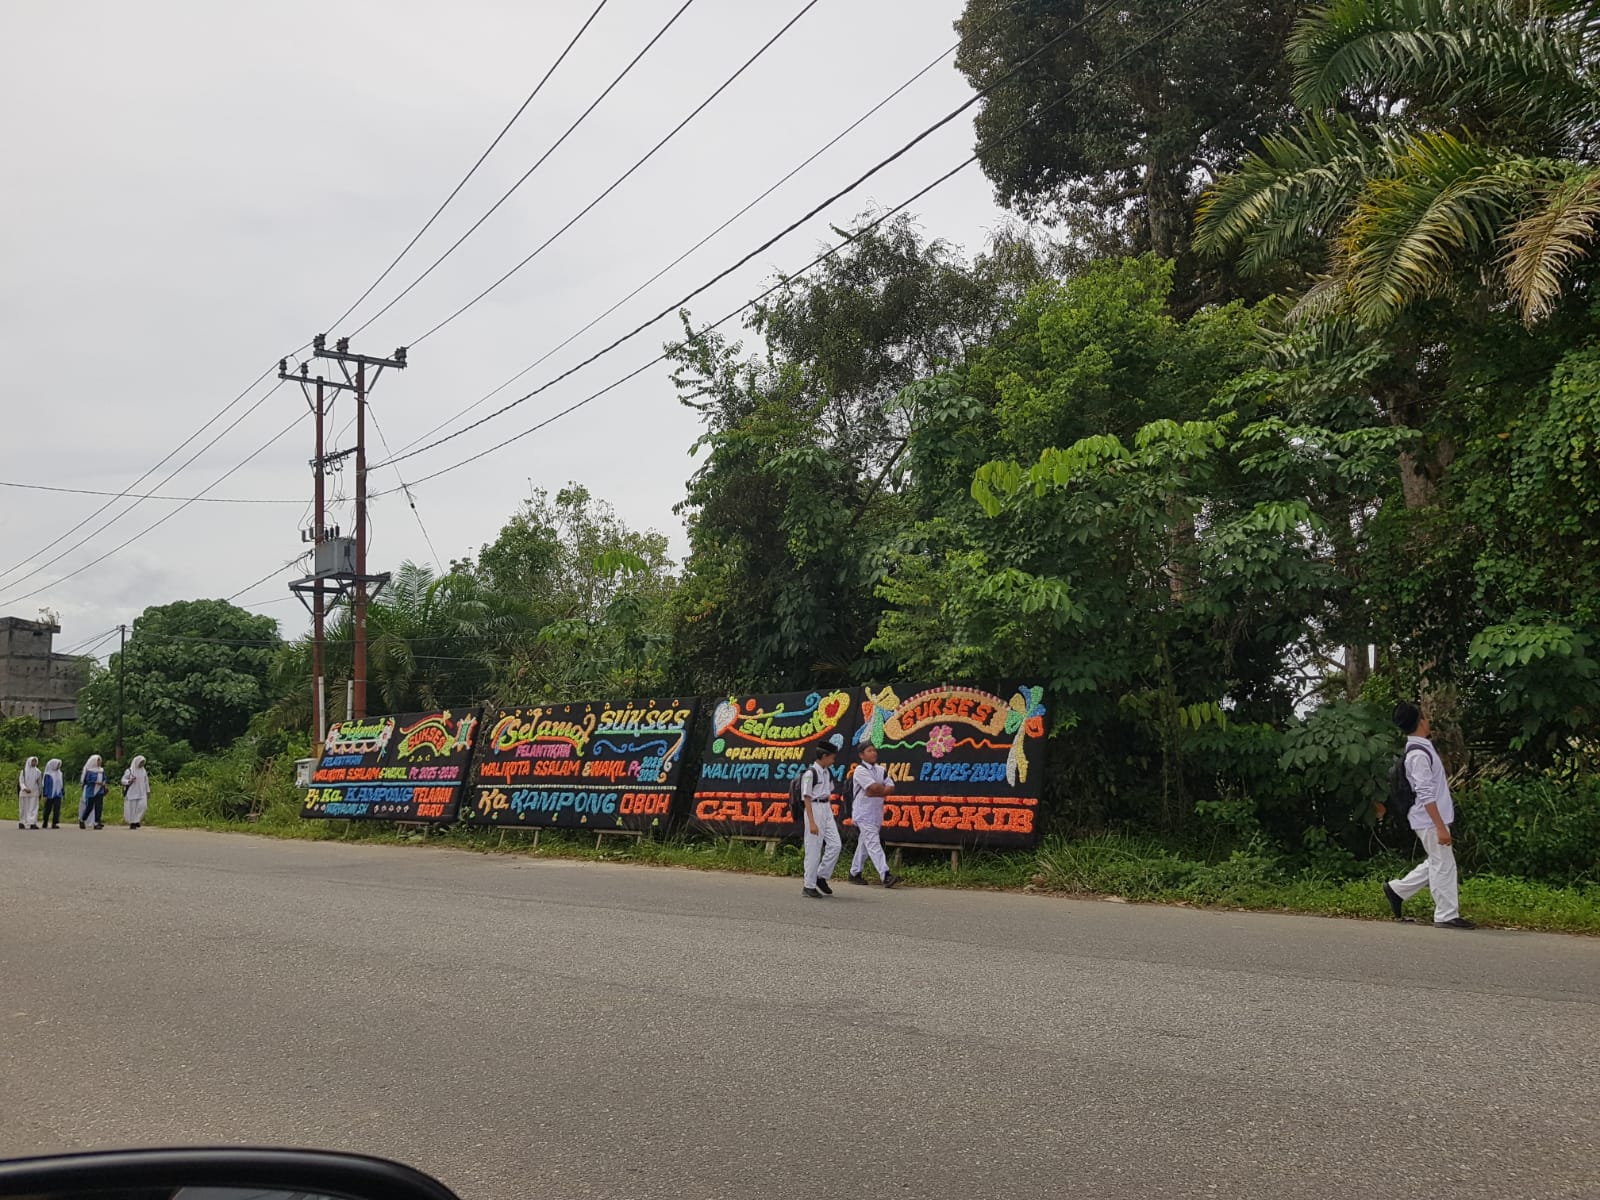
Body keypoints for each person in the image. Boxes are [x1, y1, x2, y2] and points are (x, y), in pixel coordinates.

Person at [1384, 702, 1475, 930]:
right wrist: (1440, 826)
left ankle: (1397, 890)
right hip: (1428, 819)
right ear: (1422, 721)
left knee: (1438, 860)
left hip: (1429, 818)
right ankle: (1445, 914)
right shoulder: (1418, 755)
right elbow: (1425, 792)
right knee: (1444, 863)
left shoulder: (1420, 748)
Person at [847, 741, 899, 888]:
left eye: (874, 750)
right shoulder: (860, 770)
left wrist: (876, 791)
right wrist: (879, 790)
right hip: (863, 813)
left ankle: (854, 873)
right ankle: (885, 875)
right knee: (873, 843)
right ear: (861, 755)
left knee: (864, 844)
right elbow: (872, 787)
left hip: (876, 812)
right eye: (869, 751)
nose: (873, 753)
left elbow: (891, 787)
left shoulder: (880, 770)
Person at [800, 733, 845, 899]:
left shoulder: (827, 772)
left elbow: (829, 790)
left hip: (826, 808)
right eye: (832, 758)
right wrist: (812, 822)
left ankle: (821, 876)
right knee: (814, 848)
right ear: (824, 756)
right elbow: (807, 797)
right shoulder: (811, 774)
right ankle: (808, 885)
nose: (833, 761)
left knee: (835, 845)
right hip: (814, 808)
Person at [79, 754, 107, 830]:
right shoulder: (90, 771)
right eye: (98, 761)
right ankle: (82, 819)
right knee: (89, 807)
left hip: (99, 791)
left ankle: (97, 822)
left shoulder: (101, 770)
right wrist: (95, 782)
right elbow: (87, 780)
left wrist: (104, 783)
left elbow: (104, 778)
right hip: (91, 791)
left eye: (100, 761)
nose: (99, 762)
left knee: (99, 807)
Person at [121, 755, 150, 829]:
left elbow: (146, 782)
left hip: (142, 792)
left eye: (143, 762)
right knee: (132, 809)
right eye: (141, 762)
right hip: (132, 793)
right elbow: (123, 780)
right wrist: (129, 781)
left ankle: (136, 820)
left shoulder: (143, 771)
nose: (142, 764)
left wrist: (148, 791)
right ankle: (132, 823)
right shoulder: (129, 771)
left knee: (143, 806)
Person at [17, 756, 42, 830]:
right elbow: (21, 782)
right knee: (23, 808)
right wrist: (25, 788)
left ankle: (32, 823)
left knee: (33, 808)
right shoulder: (23, 771)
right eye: (33, 761)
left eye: (35, 761)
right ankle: (22, 822)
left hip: (34, 792)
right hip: (24, 793)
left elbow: (40, 783)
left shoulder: (38, 772)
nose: (34, 763)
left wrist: (40, 793)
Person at [40, 758, 64, 829]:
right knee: (47, 809)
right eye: (57, 765)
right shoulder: (48, 774)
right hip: (49, 794)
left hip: (58, 794)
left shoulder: (60, 774)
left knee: (57, 809)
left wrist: (62, 793)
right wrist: (45, 795)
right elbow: (45, 785)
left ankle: (55, 823)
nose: (58, 767)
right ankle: (45, 821)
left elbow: (62, 784)